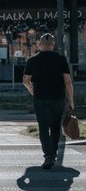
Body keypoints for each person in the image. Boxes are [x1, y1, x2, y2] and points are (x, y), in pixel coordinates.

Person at [23, 33, 74, 169]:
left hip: (40, 98)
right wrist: (71, 100)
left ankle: (48, 156)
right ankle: (53, 153)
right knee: (56, 127)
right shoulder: (61, 59)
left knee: (43, 128)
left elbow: (25, 80)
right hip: (58, 98)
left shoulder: (32, 60)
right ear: (53, 45)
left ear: (40, 45)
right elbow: (67, 81)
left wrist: (32, 90)